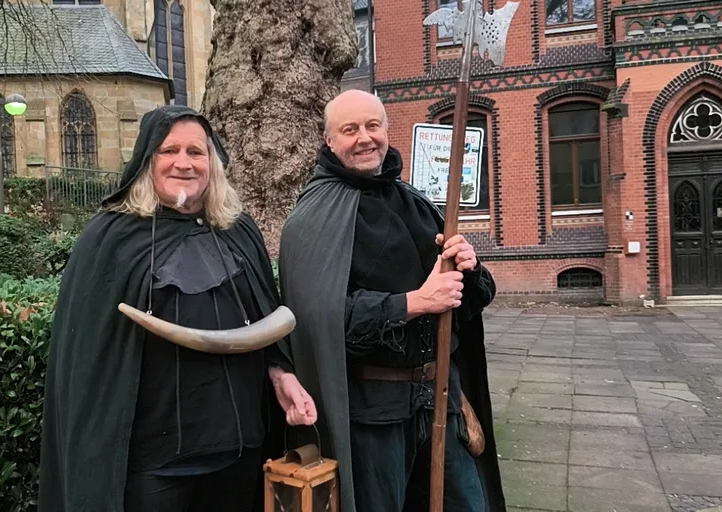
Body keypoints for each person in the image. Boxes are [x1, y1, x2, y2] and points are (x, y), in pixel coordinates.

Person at [38, 105, 317, 512]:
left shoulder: (238, 230)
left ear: (213, 163)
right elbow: (88, 359)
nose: (183, 163)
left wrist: (280, 372)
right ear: (146, 160)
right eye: (169, 151)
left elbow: (263, 317)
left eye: (196, 152)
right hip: (154, 463)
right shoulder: (110, 238)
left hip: (238, 448)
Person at [277, 89, 505, 512]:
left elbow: (472, 300)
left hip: (440, 399)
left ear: (386, 129)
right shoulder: (312, 220)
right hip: (372, 418)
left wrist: (468, 268)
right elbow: (323, 320)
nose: (364, 138)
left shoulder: (414, 202)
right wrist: (415, 302)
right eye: (350, 129)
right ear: (329, 141)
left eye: (372, 125)